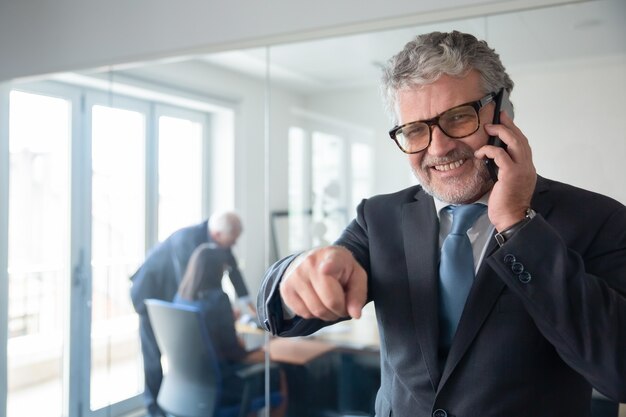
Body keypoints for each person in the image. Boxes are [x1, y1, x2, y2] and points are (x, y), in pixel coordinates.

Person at [257, 31, 626, 416]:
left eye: (458, 117)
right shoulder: (379, 217)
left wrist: (518, 224)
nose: (437, 147)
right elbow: (284, 316)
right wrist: (296, 275)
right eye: (415, 129)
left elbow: (619, 372)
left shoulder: (597, 219)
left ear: (504, 115)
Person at [130, 211, 254, 417]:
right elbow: (189, 286)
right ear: (217, 235)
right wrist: (218, 308)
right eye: (232, 241)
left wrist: (248, 304)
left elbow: (233, 271)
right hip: (150, 294)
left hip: (174, 296)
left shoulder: (220, 241)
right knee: (153, 357)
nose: (233, 245)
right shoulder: (187, 240)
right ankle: (154, 410)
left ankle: (177, 404)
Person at [174, 243, 287, 417]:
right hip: (222, 386)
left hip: (190, 388)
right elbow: (235, 353)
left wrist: (227, 320)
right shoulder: (219, 299)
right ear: (216, 271)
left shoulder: (181, 296)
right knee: (276, 370)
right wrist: (268, 348)